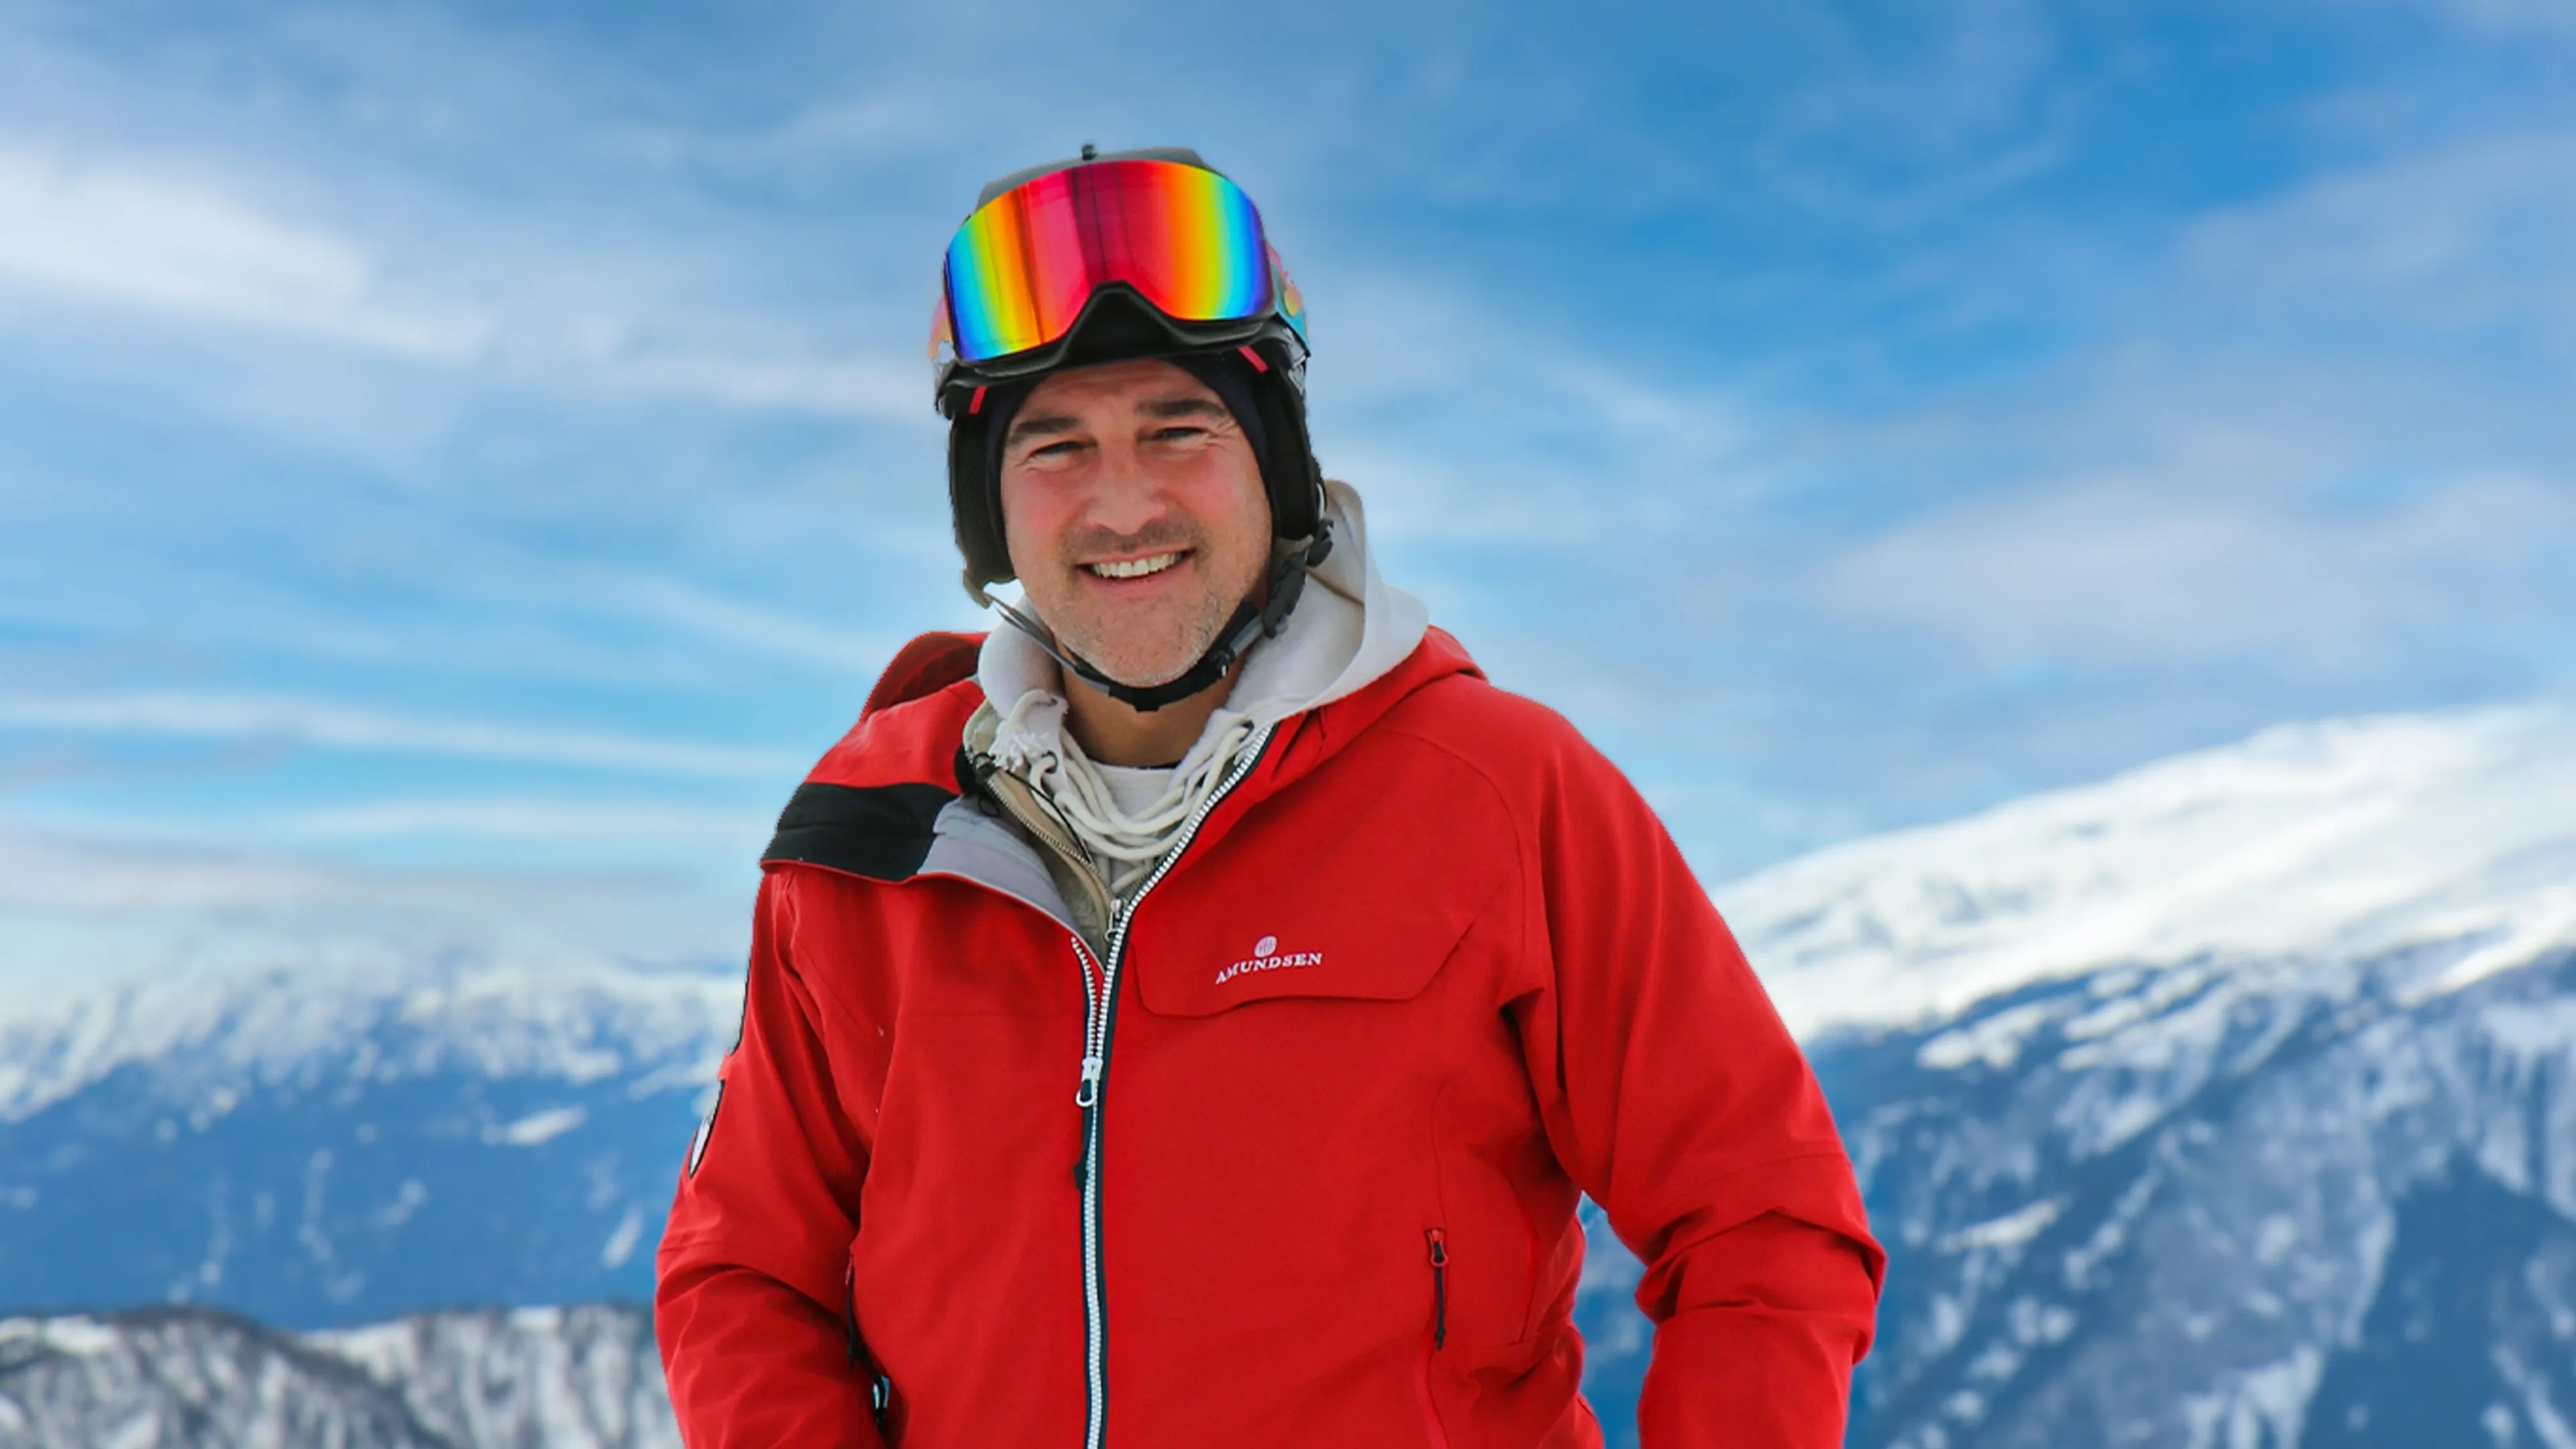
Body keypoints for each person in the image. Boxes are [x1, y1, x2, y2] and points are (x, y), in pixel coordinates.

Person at [654, 145, 1884, 1449]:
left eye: (1177, 430)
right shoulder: (876, 836)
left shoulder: (1501, 796)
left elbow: (1764, 1222)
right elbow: (745, 1273)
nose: (1123, 504)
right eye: (1056, 446)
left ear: (1276, 463)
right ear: (988, 508)